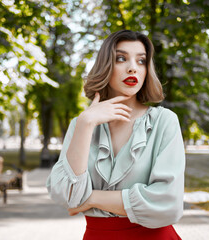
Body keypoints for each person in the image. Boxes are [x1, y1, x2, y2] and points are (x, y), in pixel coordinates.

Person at [46, 30, 185, 240]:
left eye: (141, 61)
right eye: (121, 58)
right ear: (106, 66)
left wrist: (91, 198)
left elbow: (168, 205)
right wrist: (86, 123)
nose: (132, 68)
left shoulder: (164, 121)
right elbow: (65, 194)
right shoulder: (81, 124)